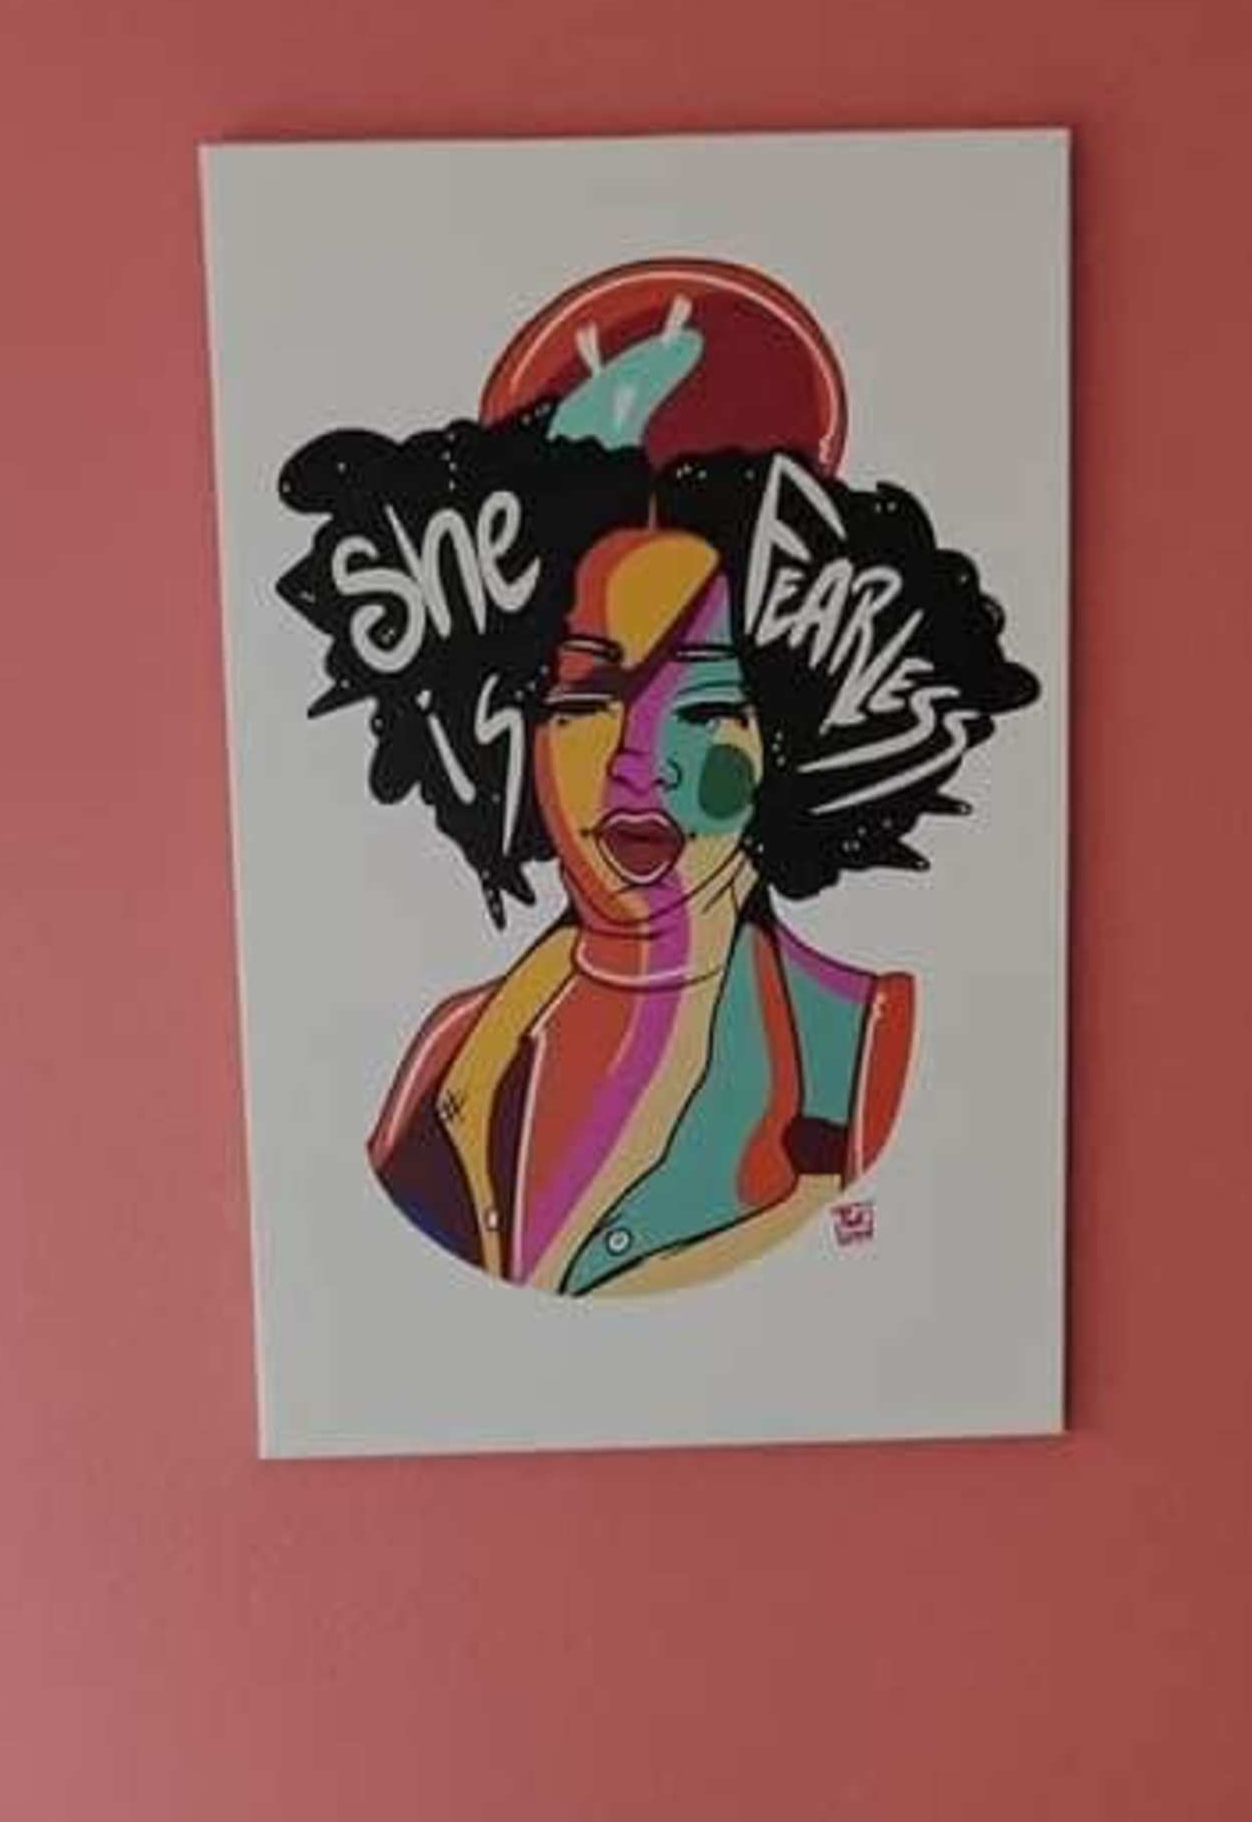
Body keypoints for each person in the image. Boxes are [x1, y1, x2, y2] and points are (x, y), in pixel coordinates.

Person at [270, 256, 1038, 1302]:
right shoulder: (453, 1067)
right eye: (585, 704)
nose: (638, 762)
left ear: (785, 739)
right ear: (513, 730)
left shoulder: (863, 1058)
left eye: (706, 707)